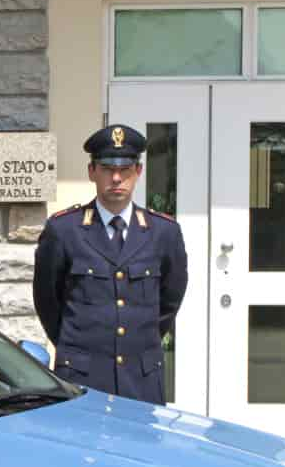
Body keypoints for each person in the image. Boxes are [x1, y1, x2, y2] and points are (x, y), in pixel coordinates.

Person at [32, 124, 188, 404]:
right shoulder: (64, 230)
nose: (116, 178)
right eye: (106, 169)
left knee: (139, 448)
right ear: (92, 172)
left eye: (125, 170)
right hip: (83, 375)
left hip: (141, 377)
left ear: (138, 172)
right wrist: (73, 347)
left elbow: (169, 301)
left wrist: (139, 341)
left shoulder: (163, 232)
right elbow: (47, 300)